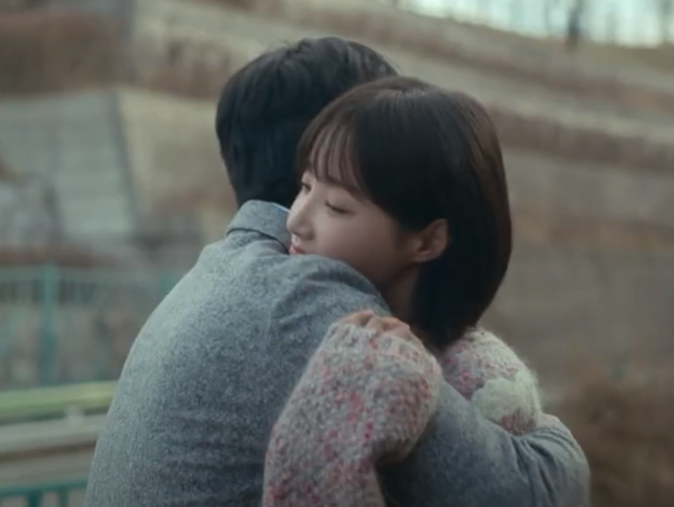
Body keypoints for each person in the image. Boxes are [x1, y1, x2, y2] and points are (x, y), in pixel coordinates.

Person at [84, 37, 589, 507]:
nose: (298, 220)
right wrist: (545, 430)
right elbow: (528, 494)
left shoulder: (215, 270)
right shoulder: (315, 302)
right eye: (308, 186)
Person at [261, 76, 545, 505]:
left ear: (427, 241)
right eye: (305, 186)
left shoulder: (478, 387)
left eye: (336, 206)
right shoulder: (304, 318)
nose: (295, 221)